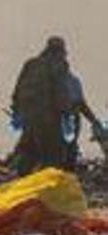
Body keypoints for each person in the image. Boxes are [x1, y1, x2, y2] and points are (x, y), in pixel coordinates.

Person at [10, 36, 71, 175]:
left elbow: (17, 90)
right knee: (53, 156)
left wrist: (17, 111)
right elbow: (61, 93)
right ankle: (47, 188)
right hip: (49, 120)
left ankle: (23, 184)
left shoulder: (30, 64)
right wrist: (67, 114)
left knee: (29, 153)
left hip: (29, 120)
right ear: (59, 51)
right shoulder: (58, 65)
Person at [64, 65, 101, 169]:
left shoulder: (73, 81)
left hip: (70, 119)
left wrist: (93, 120)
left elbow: (81, 104)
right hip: (60, 120)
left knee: (69, 149)